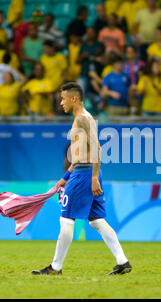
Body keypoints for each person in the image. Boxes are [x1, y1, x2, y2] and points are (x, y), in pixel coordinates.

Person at [32, 82, 132, 276]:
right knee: (96, 220)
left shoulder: (83, 119)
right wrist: (66, 176)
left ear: (74, 98)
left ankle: (55, 268)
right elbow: (80, 153)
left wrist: (93, 177)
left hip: (85, 175)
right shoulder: (83, 118)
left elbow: (96, 148)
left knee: (66, 219)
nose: (61, 103)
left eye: (63, 99)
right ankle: (122, 261)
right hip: (83, 173)